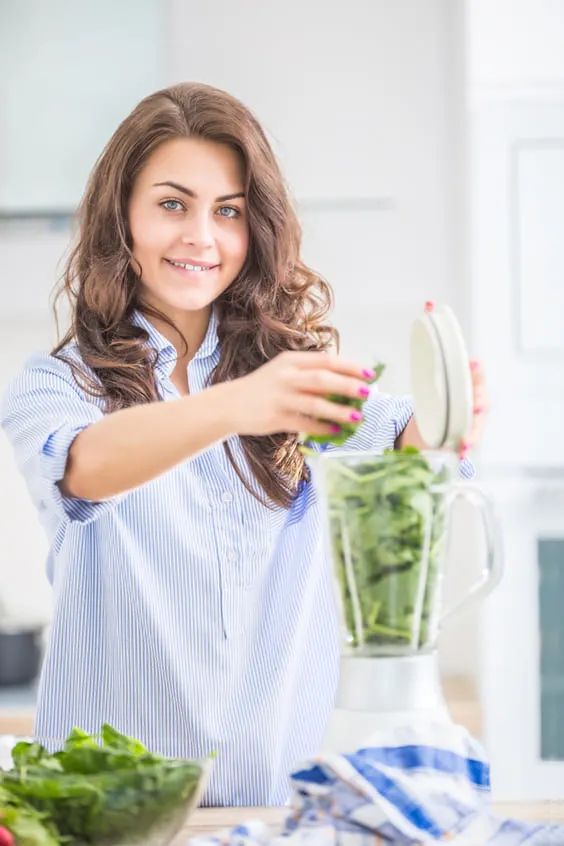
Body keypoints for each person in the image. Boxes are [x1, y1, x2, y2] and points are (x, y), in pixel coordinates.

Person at [1, 83, 486, 807]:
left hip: (271, 810)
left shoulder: (297, 384)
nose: (202, 236)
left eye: (227, 211)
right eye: (172, 204)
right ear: (121, 219)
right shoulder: (57, 384)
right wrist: (237, 404)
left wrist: (451, 412)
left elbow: (406, 445)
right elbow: (84, 466)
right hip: (105, 817)